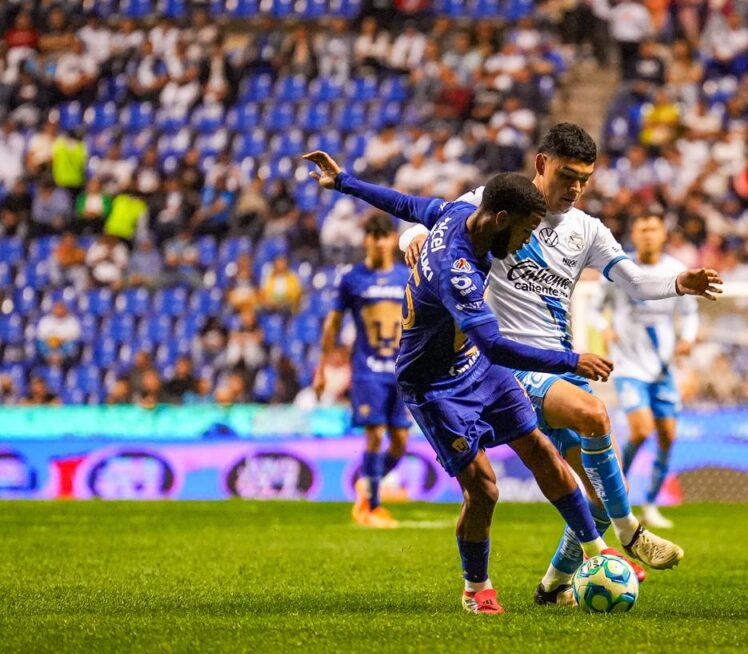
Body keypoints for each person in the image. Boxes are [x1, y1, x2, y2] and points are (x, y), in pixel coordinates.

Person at [397, 124, 721, 602]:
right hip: (510, 363)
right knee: (594, 416)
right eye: (567, 175)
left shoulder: (587, 230)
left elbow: (633, 280)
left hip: (562, 368)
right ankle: (630, 536)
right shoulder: (498, 201)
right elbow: (437, 218)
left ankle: (554, 585)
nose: (575, 188)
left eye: (584, 180)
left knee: (594, 500)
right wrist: (412, 234)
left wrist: (678, 283)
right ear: (541, 164)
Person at [306, 151, 617, 615]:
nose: (528, 240)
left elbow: (406, 205)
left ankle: (597, 552)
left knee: (541, 450)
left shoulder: (458, 213)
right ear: (501, 219)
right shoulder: (457, 271)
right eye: (527, 230)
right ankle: (476, 587)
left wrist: (345, 181)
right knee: (484, 488)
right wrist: (572, 360)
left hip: (472, 364)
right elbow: (496, 345)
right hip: (433, 385)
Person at [590, 210, 698, 529]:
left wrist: (688, 339)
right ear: (634, 235)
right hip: (628, 365)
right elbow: (595, 310)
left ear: (664, 235)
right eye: (643, 229)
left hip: (662, 366)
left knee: (667, 435)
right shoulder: (619, 269)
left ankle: (650, 504)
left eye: (654, 229)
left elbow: (689, 311)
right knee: (640, 429)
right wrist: (605, 329)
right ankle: (616, 490)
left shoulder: (675, 270)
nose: (649, 234)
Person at [314, 213, 411, 529]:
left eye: (384, 235)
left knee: (399, 442)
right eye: (373, 235)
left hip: (400, 371)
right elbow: (333, 324)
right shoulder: (352, 279)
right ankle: (371, 505)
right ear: (366, 239)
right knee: (375, 434)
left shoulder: (405, 277)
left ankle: (367, 484)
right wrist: (322, 368)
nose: (379, 241)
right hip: (367, 368)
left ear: (392, 240)